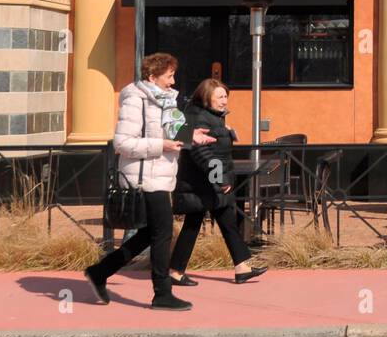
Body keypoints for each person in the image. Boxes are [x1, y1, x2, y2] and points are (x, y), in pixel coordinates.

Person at [84, 52, 213, 310]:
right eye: (169, 76)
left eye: (173, 75)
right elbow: (122, 143)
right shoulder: (135, 99)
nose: (173, 81)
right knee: (163, 232)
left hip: (161, 176)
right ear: (152, 77)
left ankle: (100, 272)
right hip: (144, 178)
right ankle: (162, 294)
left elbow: (170, 129)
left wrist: (192, 135)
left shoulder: (165, 101)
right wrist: (161, 145)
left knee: (149, 234)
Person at [169, 79, 267, 285]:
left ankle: (241, 267)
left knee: (224, 222)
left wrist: (228, 133)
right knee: (195, 225)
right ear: (207, 98)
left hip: (208, 183)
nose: (225, 101)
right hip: (201, 183)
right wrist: (219, 178)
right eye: (220, 97)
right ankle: (176, 272)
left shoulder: (212, 116)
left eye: (226, 97)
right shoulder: (199, 117)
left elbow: (214, 144)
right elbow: (200, 151)